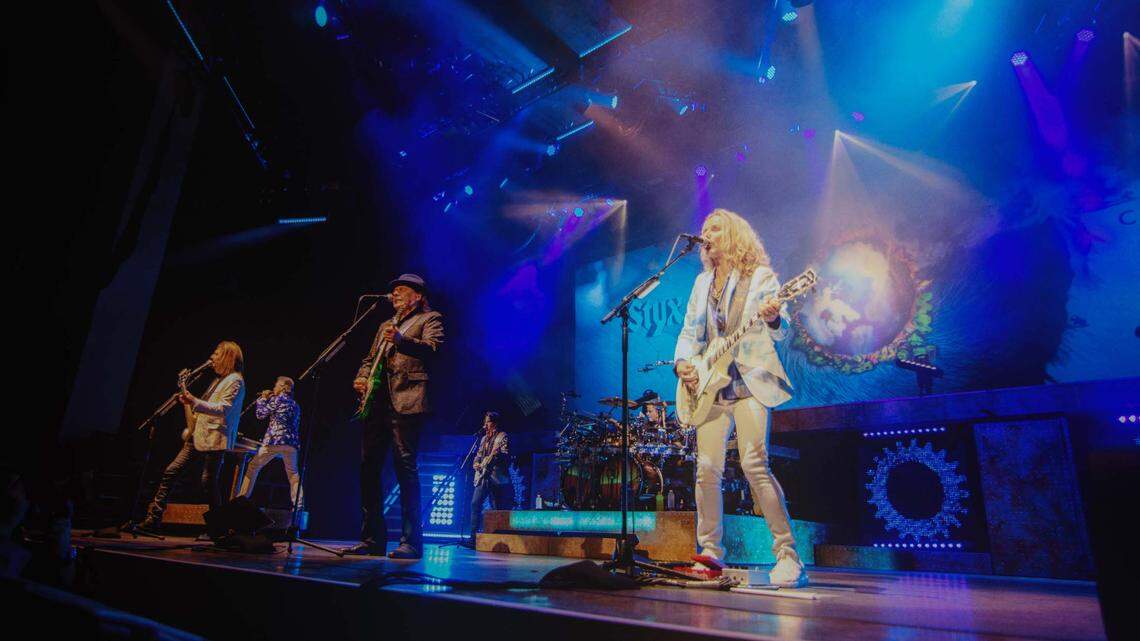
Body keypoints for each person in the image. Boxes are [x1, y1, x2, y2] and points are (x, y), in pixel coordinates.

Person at [672, 208, 807, 587]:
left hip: (749, 382)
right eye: (703, 229)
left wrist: (773, 317)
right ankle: (711, 554)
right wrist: (684, 363)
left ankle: (787, 555)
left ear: (733, 235)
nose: (706, 234)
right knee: (706, 469)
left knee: (754, 464)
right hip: (710, 386)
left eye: (714, 228)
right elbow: (690, 331)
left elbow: (783, 331)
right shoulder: (702, 283)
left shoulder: (760, 277)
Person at [344, 274, 444, 559]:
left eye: (402, 290)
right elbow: (368, 359)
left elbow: (433, 349)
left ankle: (411, 542)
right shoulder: (384, 325)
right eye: (394, 291)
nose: (395, 295)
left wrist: (402, 340)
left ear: (417, 296)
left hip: (407, 399)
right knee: (368, 468)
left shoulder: (431, 319)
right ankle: (372, 539)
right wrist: (361, 378)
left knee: (405, 468)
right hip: (376, 403)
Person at [136, 341, 246, 531]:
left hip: (214, 438)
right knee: (171, 471)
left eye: (217, 353)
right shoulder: (217, 381)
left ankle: (218, 529)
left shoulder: (235, 380)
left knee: (208, 482)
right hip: (198, 436)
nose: (212, 357)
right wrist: (187, 399)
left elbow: (223, 409)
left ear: (228, 357)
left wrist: (193, 400)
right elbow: (198, 414)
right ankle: (153, 519)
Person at [237, 376, 303, 508]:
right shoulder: (295, 405)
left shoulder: (277, 399)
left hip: (275, 440)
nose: (274, 388)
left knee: (253, 466)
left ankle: (242, 498)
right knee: (293, 474)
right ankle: (299, 505)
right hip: (291, 444)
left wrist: (262, 399)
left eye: (276, 385)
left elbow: (260, 414)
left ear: (283, 387)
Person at [467, 411, 511, 544]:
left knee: (497, 508)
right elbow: (479, 455)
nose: (485, 425)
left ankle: (499, 539)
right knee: (475, 504)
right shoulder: (483, 439)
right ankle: (473, 538)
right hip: (482, 477)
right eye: (484, 422)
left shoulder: (503, 437)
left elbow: (505, 455)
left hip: (496, 477)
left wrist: (495, 456)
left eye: (488, 422)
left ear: (495, 423)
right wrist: (476, 463)